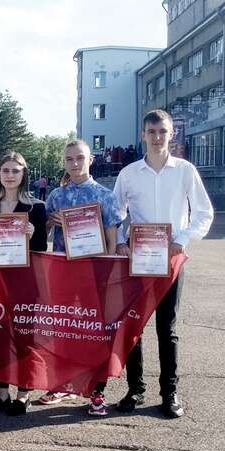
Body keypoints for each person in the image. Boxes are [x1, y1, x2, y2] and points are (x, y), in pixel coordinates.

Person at [113, 110, 213, 418]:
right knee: (134, 326)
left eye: (162, 132)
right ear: (143, 134)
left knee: (166, 328)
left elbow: (203, 212)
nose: (157, 137)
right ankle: (135, 389)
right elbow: (116, 212)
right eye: (152, 131)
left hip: (171, 259)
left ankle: (169, 393)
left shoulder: (185, 170)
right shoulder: (129, 173)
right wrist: (120, 240)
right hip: (138, 260)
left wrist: (181, 239)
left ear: (171, 134)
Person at [39, 139, 122, 416]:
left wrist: (106, 270)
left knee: (94, 331)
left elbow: (112, 238)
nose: (75, 163)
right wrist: (50, 222)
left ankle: (97, 391)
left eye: (80, 158)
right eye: (69, 159)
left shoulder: (104, 195)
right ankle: (61, 383)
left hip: (93, 273)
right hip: (63, 272)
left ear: (90, 160)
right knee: (63, 329)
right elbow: (44, 235)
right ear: (64, 162)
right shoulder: (56, 196)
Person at [0, 152, 48, 416]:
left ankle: (23, 394)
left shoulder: (36, 207)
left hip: (26, 281)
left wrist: (34, 233)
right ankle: (3, 393)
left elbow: (40, 248)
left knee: (24, 337)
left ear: (23, 174)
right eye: (5, 170)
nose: (10, 175)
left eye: (15, 171)